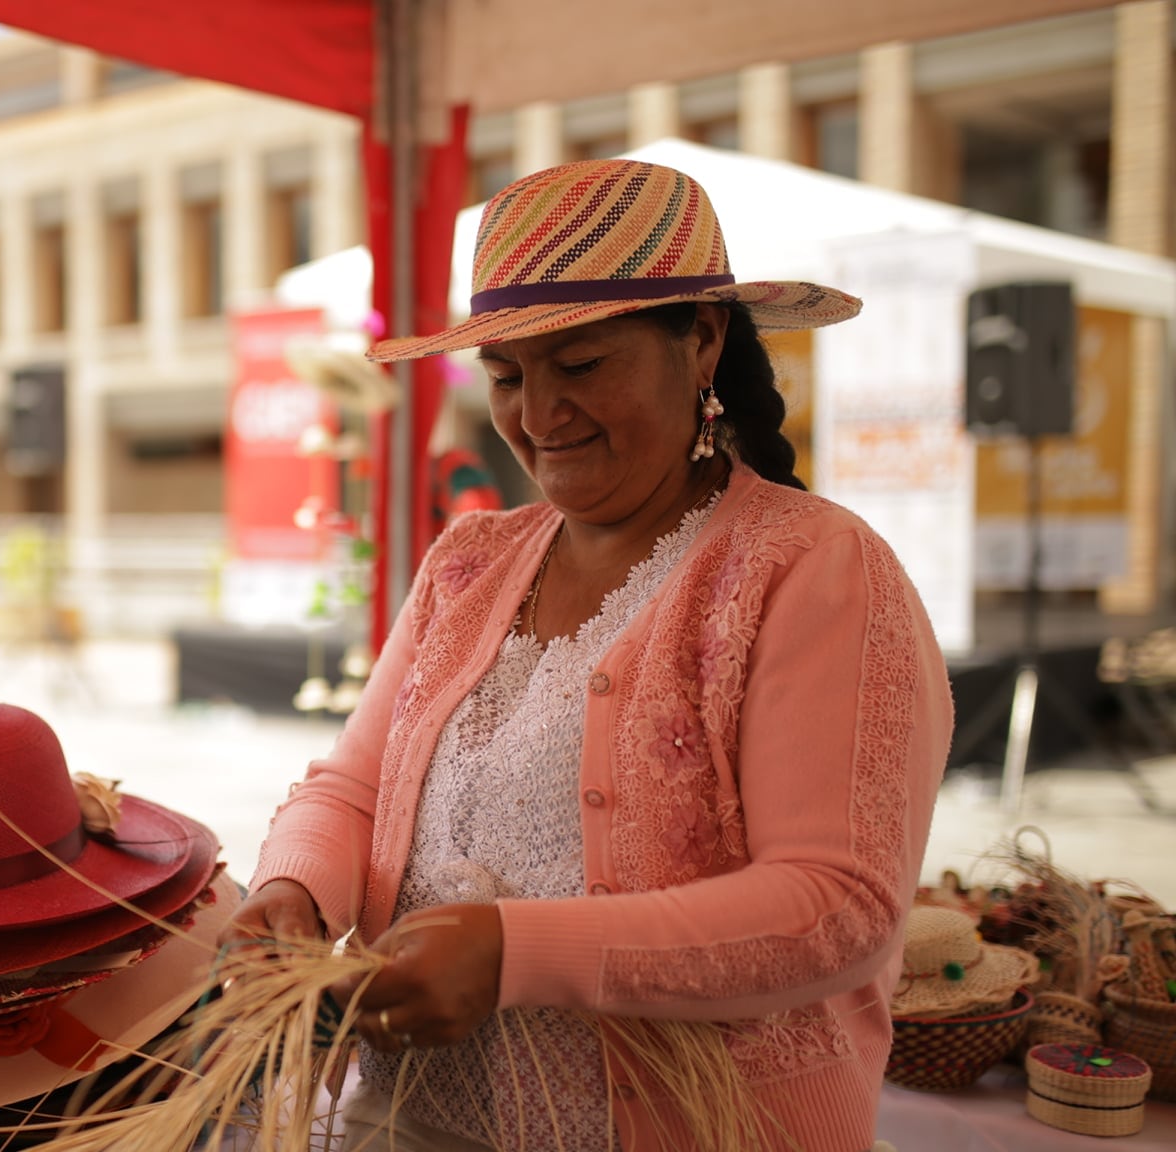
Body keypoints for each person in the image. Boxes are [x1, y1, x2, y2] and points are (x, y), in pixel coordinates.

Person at [224, 159, 953, 1152]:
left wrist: (511, 949)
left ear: (698, 341)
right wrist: (293, 891)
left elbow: (834, 906)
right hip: (407, 1120)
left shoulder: (812, 570)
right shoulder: (467, 563)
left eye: (579, 366)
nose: (537, 417)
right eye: (505, 378)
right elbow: (352, 787)